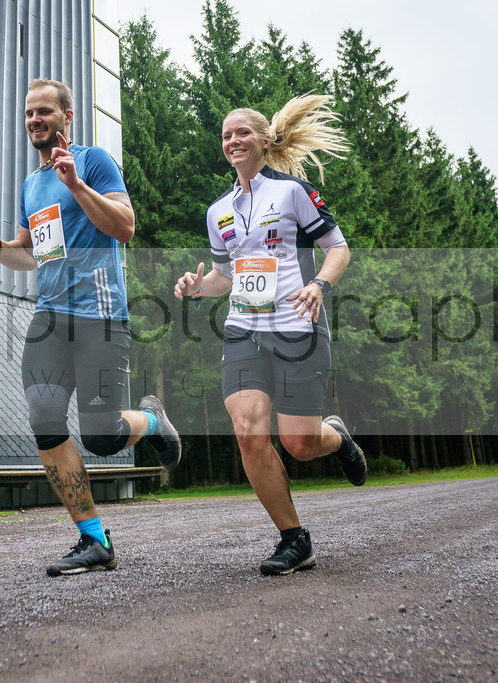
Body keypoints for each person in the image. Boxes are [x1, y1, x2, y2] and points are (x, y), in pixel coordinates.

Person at [0, 78, 181, 576]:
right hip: (49, 316)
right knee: (44, 420)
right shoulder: (30, 184)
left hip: (100, 317)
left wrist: (77, 186)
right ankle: (93, 538)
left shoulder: (93, 162)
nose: (34, 120)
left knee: (102, 437)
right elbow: (33, 255)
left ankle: (151, 419)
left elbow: (125, 227)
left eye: (45, 111)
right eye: (28, 113)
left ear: (67, 115)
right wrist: (0, 250)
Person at [173, 94, 366, 576]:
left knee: (299, 443)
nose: (232, 140)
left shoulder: (293, 191)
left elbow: (338, 248)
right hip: (244, 330)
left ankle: (336, 439)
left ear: (262, 140)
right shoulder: (219, 210)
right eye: (225, 135)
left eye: (241, 132)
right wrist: (198, 288)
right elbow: (226, 277)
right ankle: (294, 538)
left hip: (298, 327)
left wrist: (320, 284)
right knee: (248, 429)